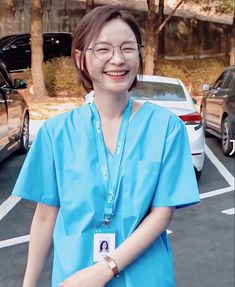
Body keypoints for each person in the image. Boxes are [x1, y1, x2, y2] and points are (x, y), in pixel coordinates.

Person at [12, 5, 200, 287]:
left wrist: (105, 269)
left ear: (139, 53)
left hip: (145, 277)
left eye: (127, 48)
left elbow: (162, 214)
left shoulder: (166, 127)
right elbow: (43, 218)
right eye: (103, 49)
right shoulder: (56, 133)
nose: (117, 59)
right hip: (73, 278)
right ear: (80, 57)